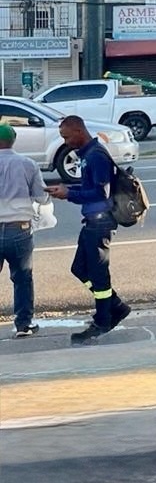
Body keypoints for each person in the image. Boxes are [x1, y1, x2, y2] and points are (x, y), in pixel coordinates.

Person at [47, 115, 131, 344]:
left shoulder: (96, 156)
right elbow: (89, 186)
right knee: (79, 268)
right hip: (92, 221)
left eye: (66, 137)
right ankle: (116, 306)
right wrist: (66, 189)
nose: (65, 142)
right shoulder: (87, 154)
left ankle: (102, 322)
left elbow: (101, 193)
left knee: (98, 274)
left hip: (101, 222)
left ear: (78, 131)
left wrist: (69, 194)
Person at [0, 122, 51, 337]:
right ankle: (23, 324)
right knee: (22, 278)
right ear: (13, 140)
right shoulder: (27, 164)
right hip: (19, 228)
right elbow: (41, 197)